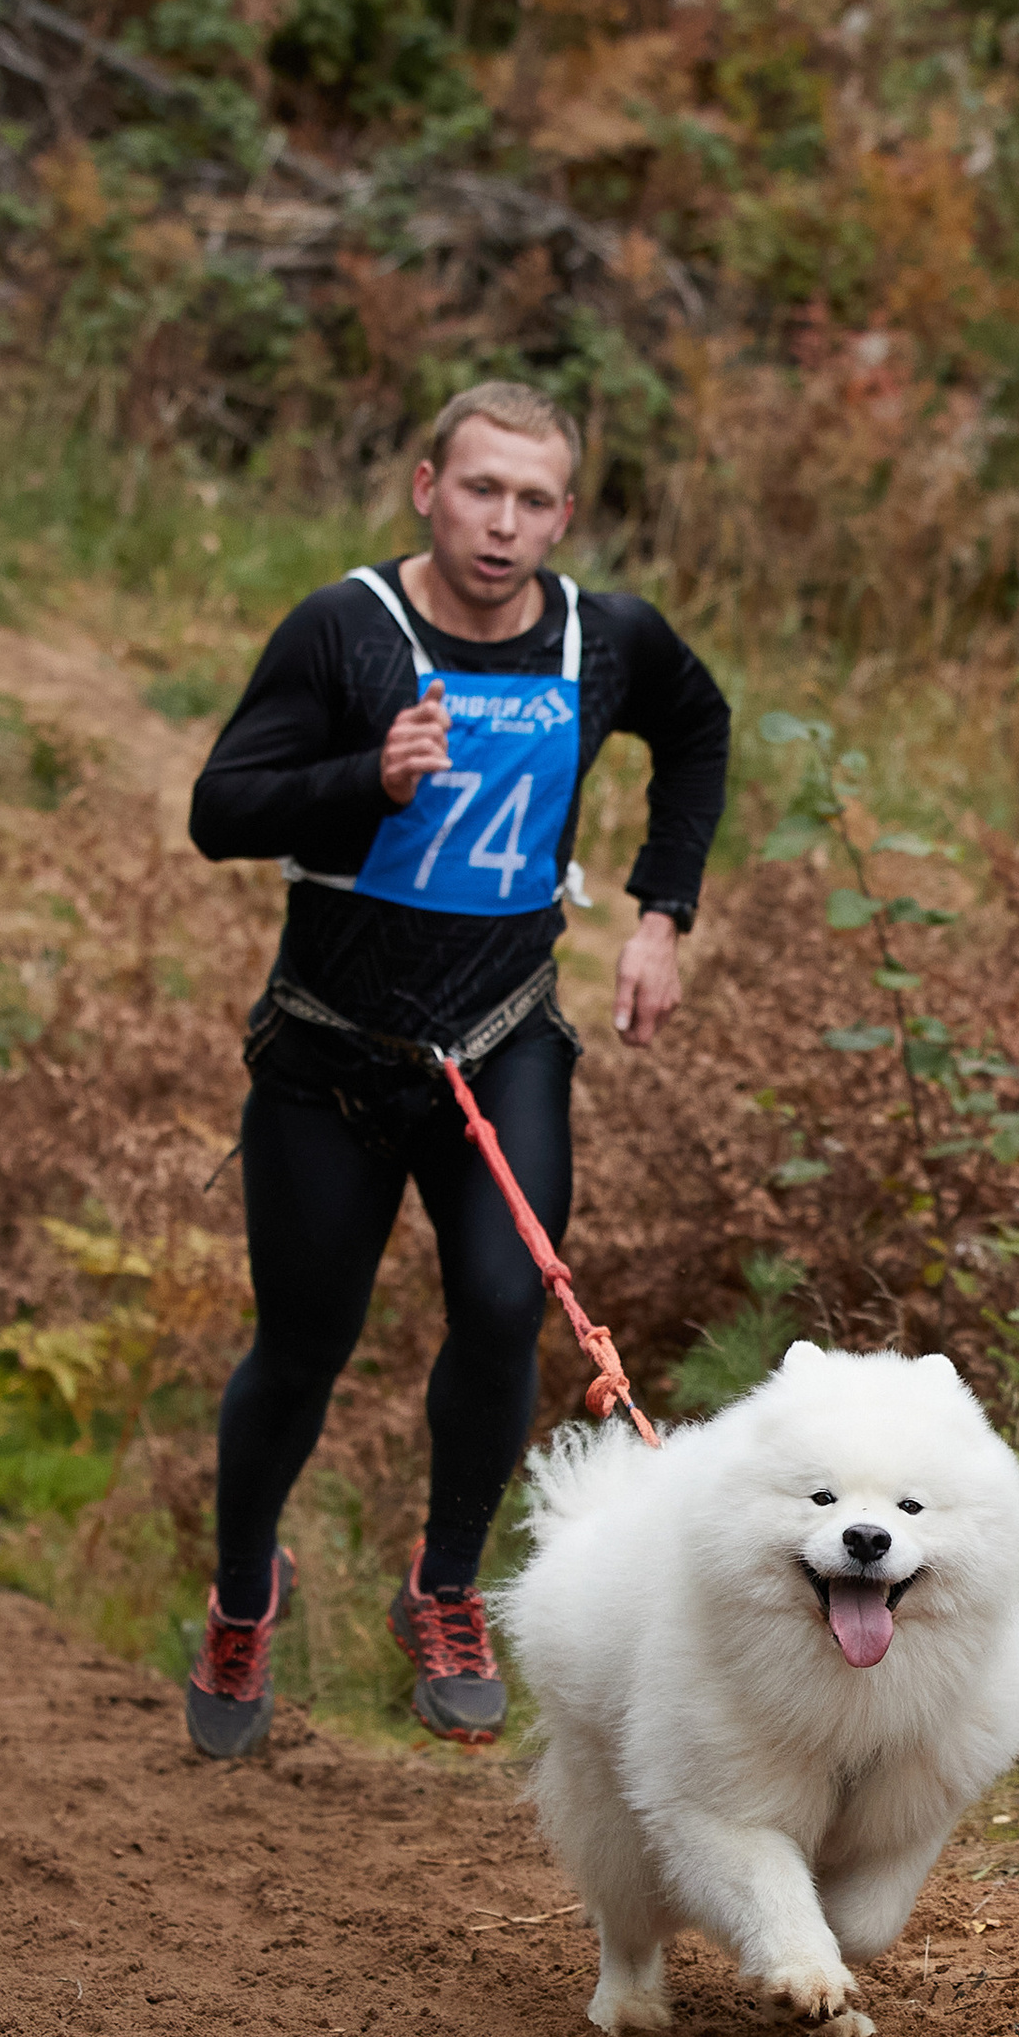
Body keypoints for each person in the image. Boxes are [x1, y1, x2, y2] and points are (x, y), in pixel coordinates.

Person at [183, 381, 731, 1759]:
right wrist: (362, 777)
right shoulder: (344, 629)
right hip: (330, 1057)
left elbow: (698, 725)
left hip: (499, 1047)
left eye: (535, 500)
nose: (504, 524)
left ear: (568, 513)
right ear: (426, 486)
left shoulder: (602, 640)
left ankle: (442, 1591)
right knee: (302, 1349)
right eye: (480, 491)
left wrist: (663, 915)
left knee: (505, 1307)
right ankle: (243, 1595)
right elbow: (217, 811)